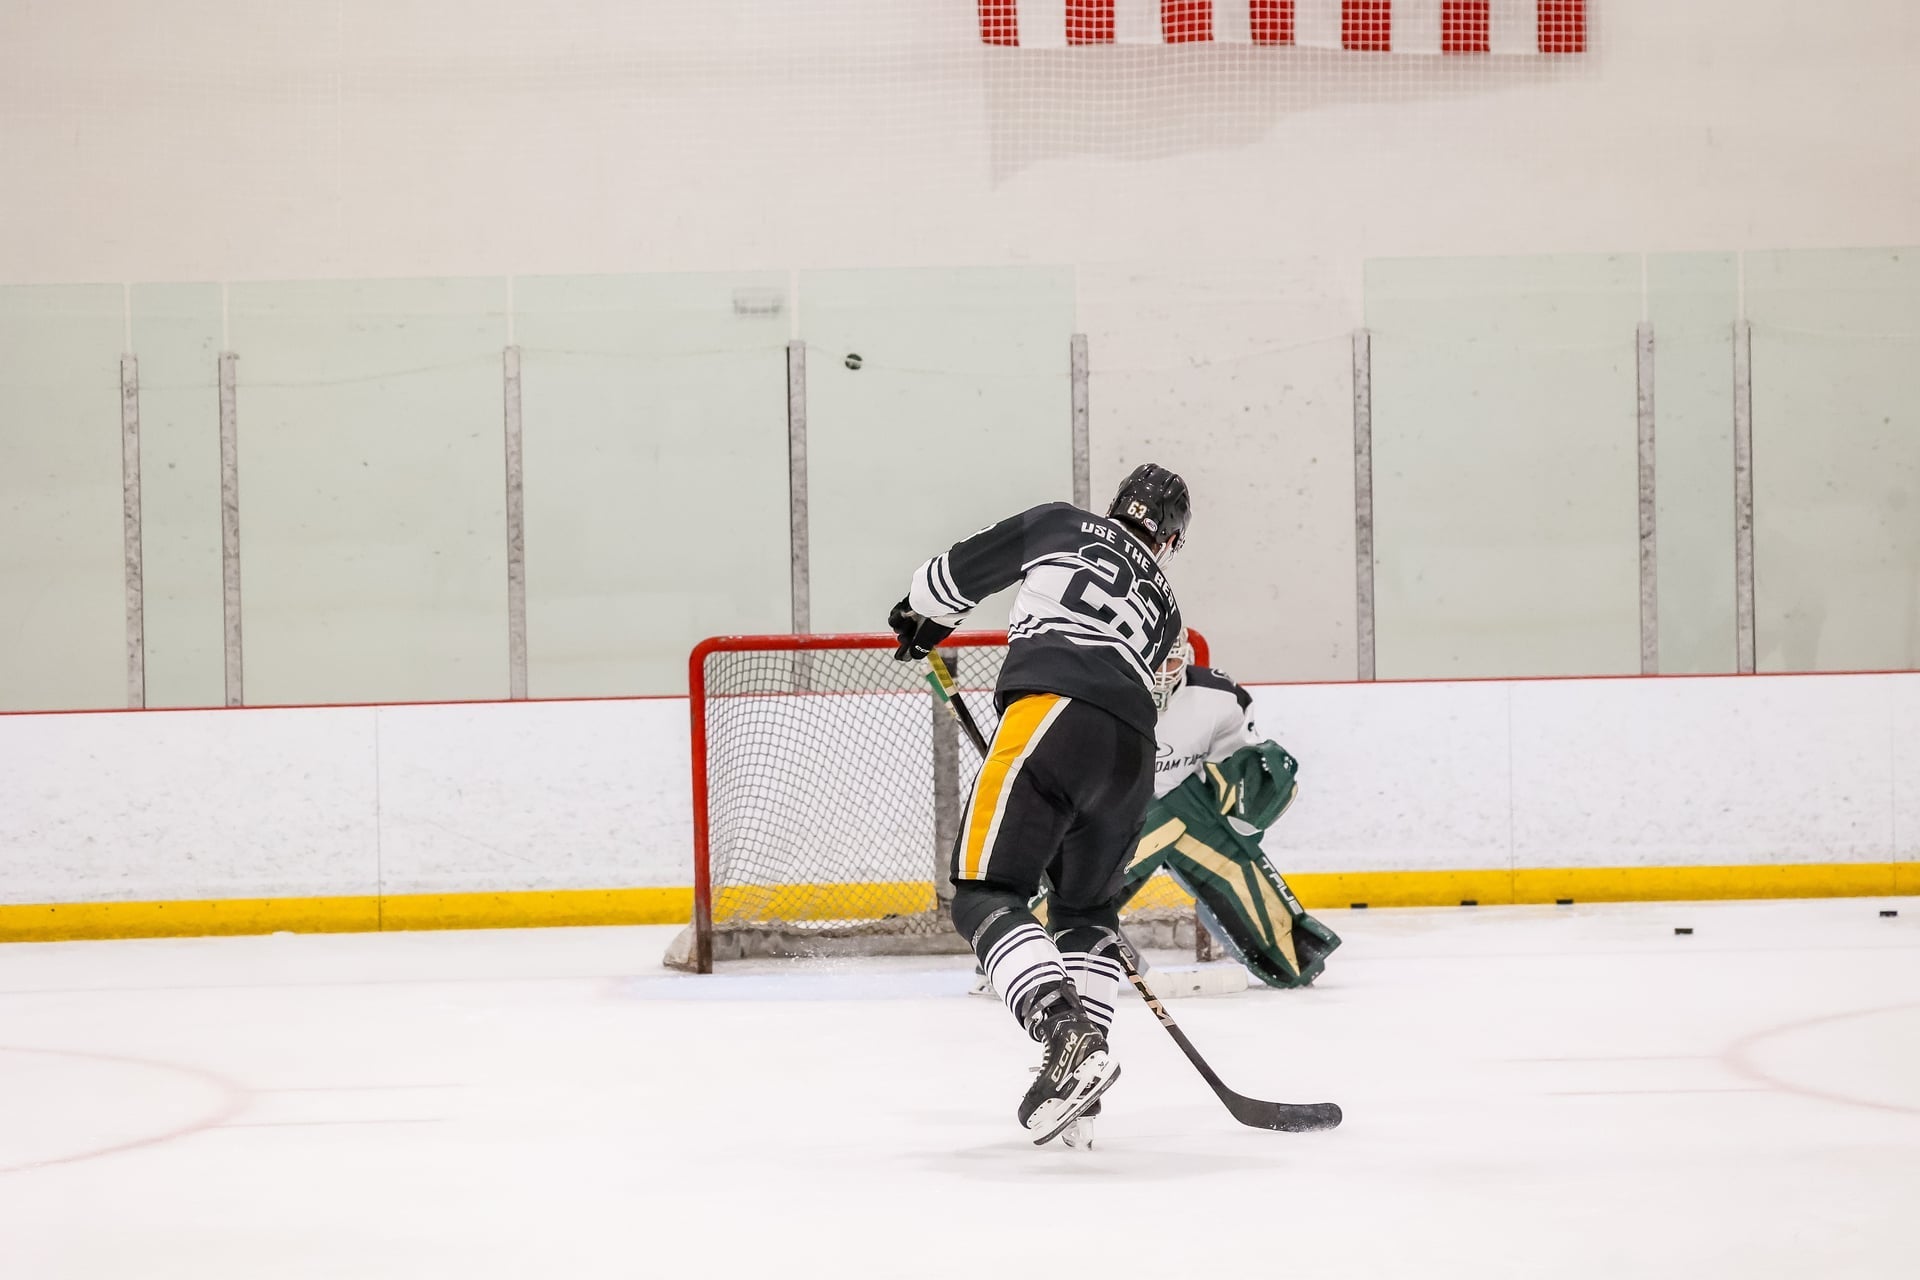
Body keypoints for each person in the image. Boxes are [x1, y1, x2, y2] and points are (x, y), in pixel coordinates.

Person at [888, 464, 1189, 1144]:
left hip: (1053, 711)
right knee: (1086, 913)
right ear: (1169, 540)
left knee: (984, 893)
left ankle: (1064, 1033)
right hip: (1134, 754)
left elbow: (947, 578)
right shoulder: (1170, 608)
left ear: (1116, 506)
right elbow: (1164, 687)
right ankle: (1082, 1083)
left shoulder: (1062, 523)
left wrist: (920, 620)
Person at [1121, 633, 1341, 989]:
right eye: (1153, 663)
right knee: (1076, 887)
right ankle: (1024, 948)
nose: (1162, 674)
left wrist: (1253, 783)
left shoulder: (1220, 697)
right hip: (1115, 811)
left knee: (1235, 867)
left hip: (1185, 809)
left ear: (1186, 658)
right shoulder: (1101, 692)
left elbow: (1234, 762)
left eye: (1172, 663)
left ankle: (1288, 951)